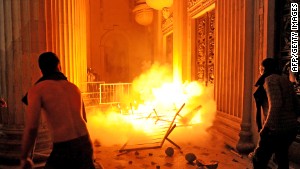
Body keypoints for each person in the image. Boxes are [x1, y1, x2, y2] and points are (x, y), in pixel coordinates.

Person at [20, 52, 97, 169]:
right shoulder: (74, 87)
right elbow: (85, 119)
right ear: (59, 66)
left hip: (65, 147)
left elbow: (32, 128)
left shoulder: (37, 90)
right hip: (86, 142)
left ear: (41, 70)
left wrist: (24, 157)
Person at [252, 58, 299, 169]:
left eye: (260, 68)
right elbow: (297, 105)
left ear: (263, 68)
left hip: (275, 129)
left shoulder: (270, 80)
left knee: (259, 158)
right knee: (282, 157)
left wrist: (266, 128)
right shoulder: (285, 80)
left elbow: (276, 105)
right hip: (290, 129)